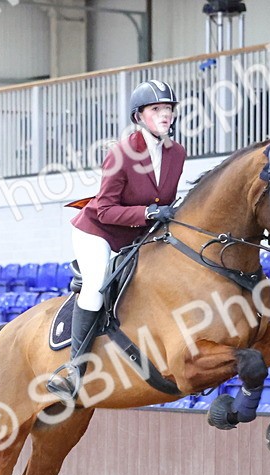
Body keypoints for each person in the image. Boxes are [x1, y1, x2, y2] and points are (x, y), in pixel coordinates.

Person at [47, 79, 187, 402]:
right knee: (96, 286)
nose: (165, 114)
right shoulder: (121, 154)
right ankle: (73, 370)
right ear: (139, 116)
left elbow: (164, 199)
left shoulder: (177, 153)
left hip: (137, 235)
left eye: (168, 108)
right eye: (156, 109)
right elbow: (106, 209)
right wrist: (148, 213)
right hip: (99, 232)